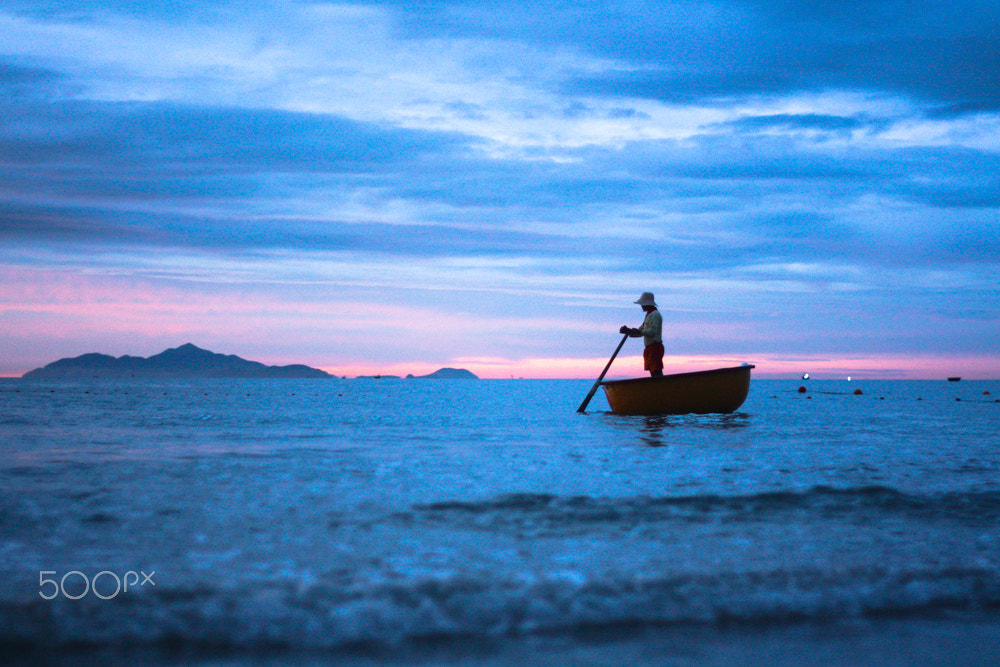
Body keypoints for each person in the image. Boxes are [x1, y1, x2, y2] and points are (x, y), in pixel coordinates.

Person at [620, 292, 664, 377]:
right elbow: (641, 330)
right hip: (649, 348)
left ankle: (660, 387)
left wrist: (639, 332)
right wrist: (628, 331)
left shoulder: (655, 315)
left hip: (655, 347)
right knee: (652, 371)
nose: (641, 306)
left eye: (643, 304)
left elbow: (652, 332)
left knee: (656, 371)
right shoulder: (649, 315)